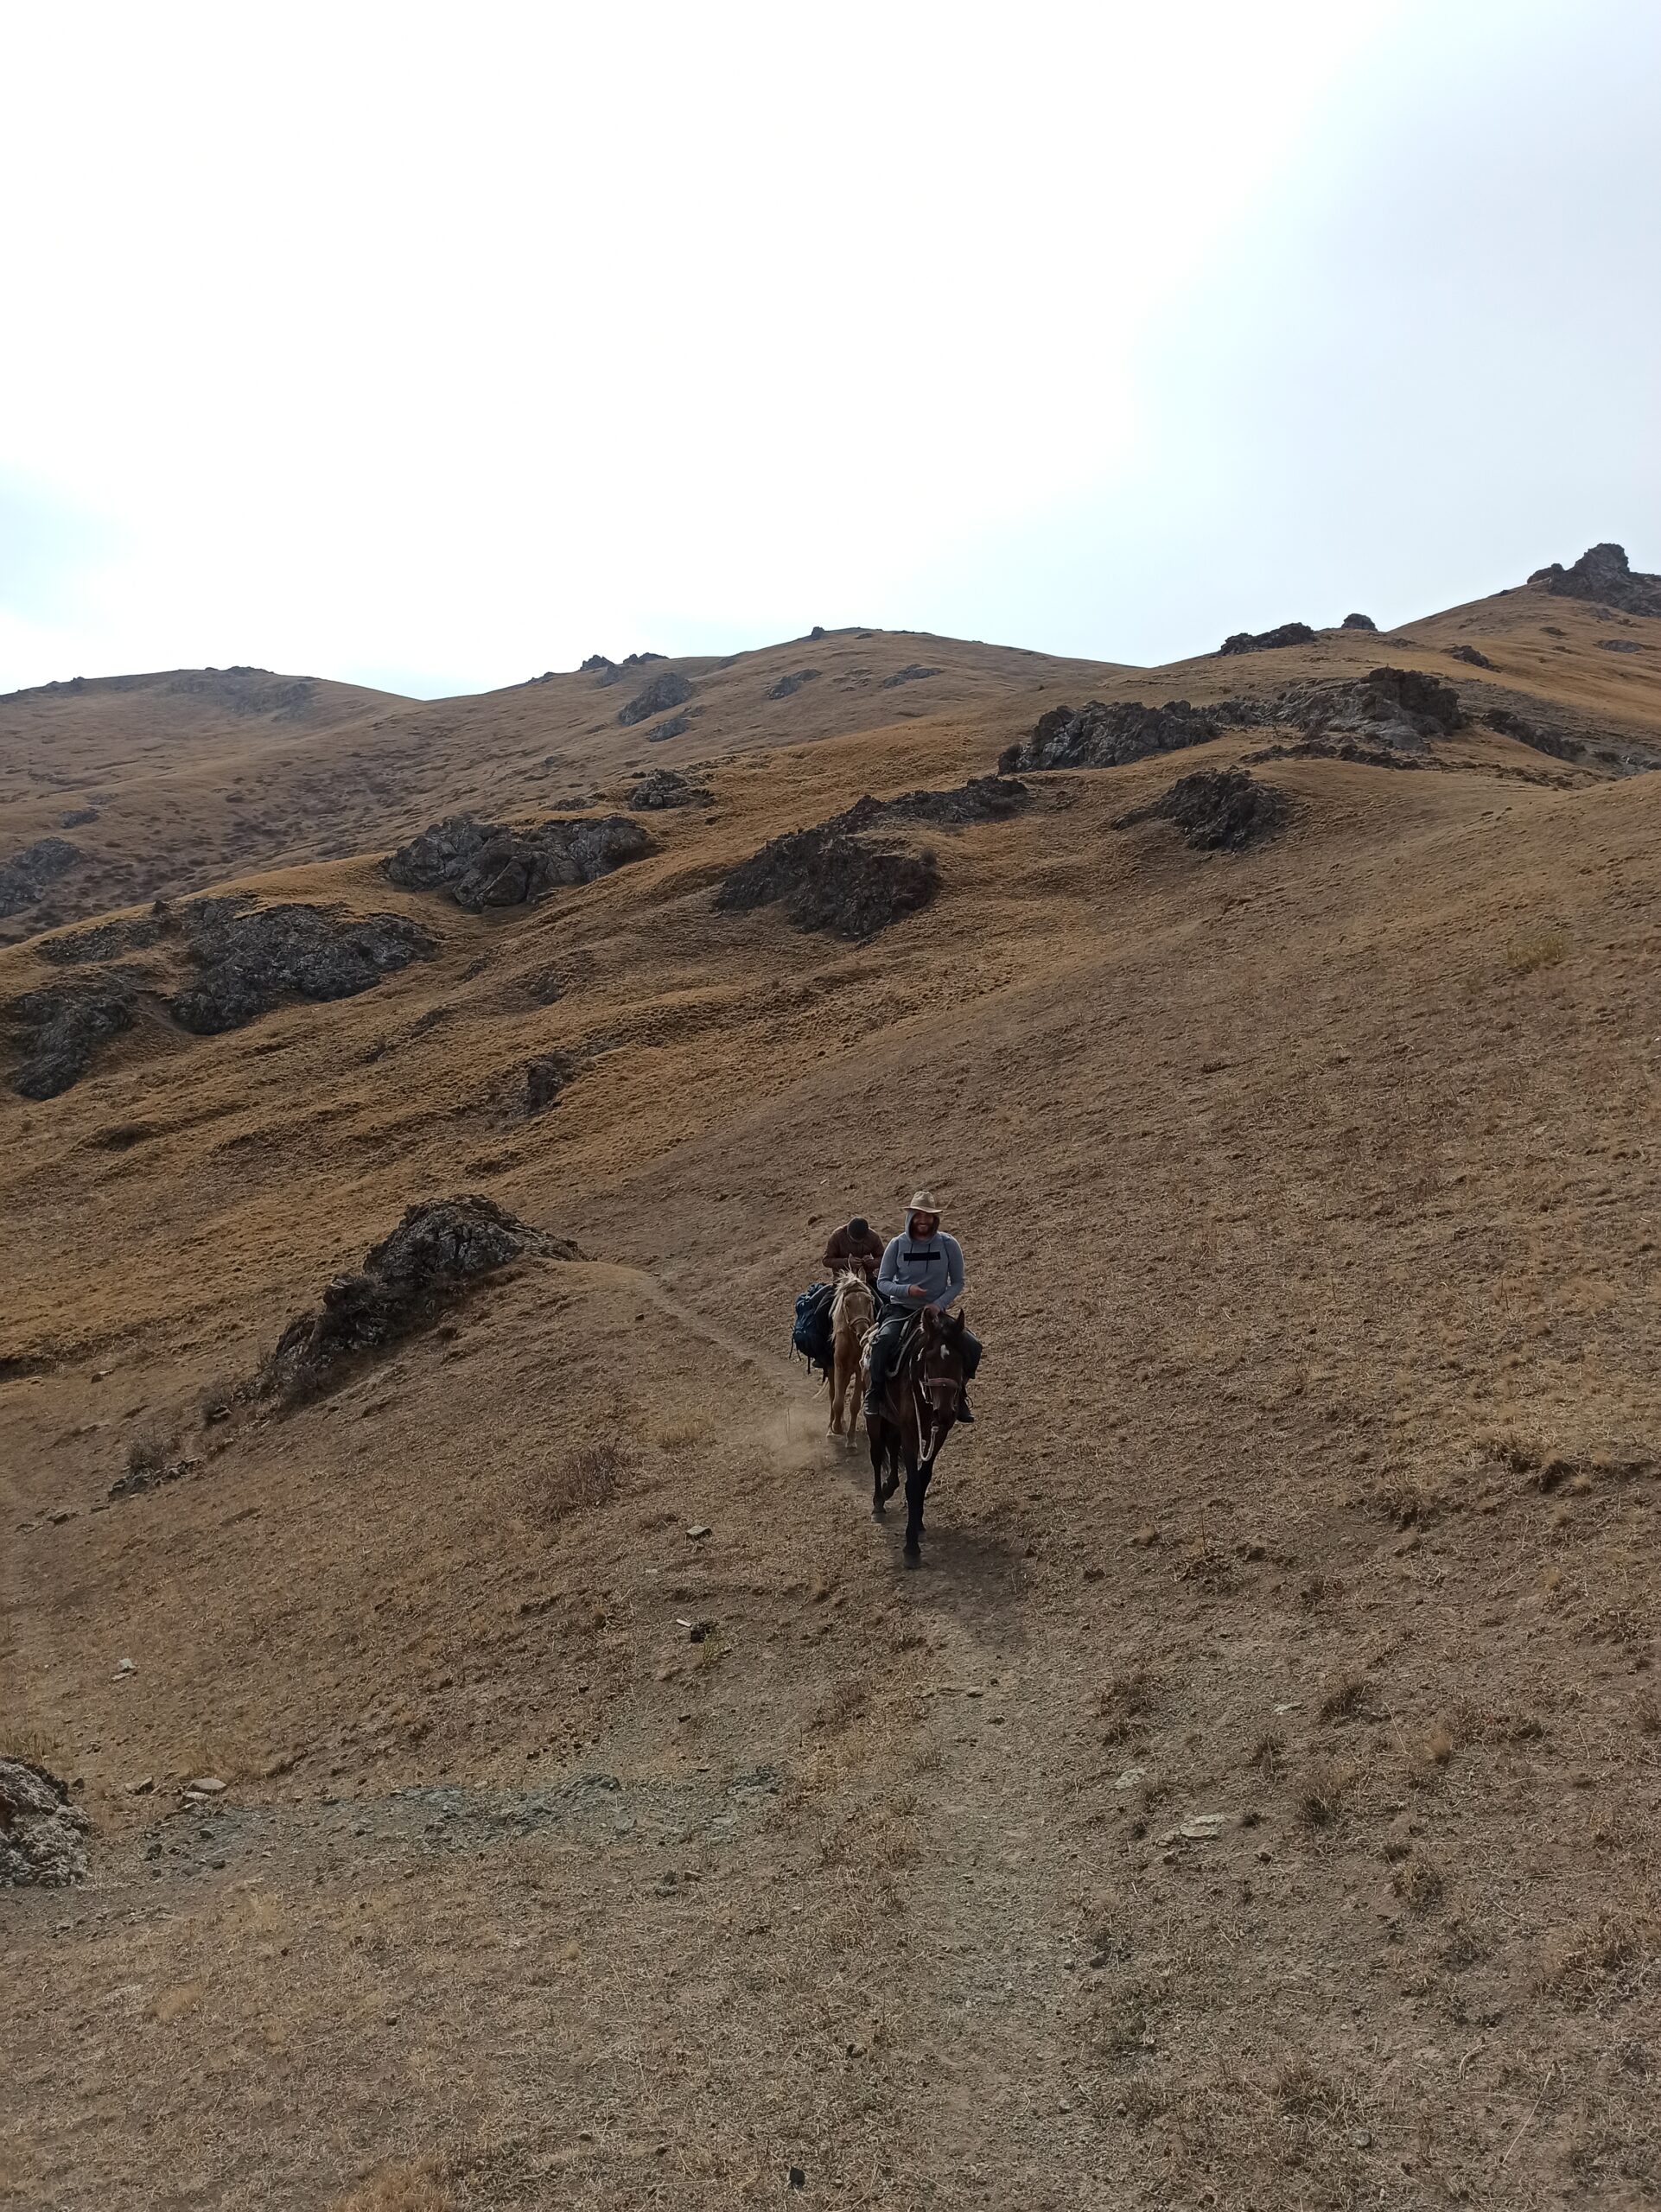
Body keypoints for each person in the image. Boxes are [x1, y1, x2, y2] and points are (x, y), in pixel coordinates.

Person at [863, 1189, 982, 1423]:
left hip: (934, 1312)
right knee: (883, 1341)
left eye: (928, 1215)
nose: (923, 1220)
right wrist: (908, 1290)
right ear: (911, 1216)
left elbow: (958, 1281)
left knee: (972, 1346)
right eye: (918, 1215)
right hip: (901, 1310)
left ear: (934, 1218)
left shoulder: (949, 1244)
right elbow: (883, 1282)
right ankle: (874, 1393)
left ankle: (960, 1394)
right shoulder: (897, 1245)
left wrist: (938, 1304)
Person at [823, 1214, 885, 1286]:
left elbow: (883, 1258)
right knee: (821, 1293)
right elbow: (826, 1260)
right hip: (842, 1281)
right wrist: (848, 1262)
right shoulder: (837, 1236)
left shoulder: (873, 1236)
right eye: (854, 1241)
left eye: (861, 1241)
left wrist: (872, 1262)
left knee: (883, 1292)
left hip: (867, 1279)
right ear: (848, 1233)